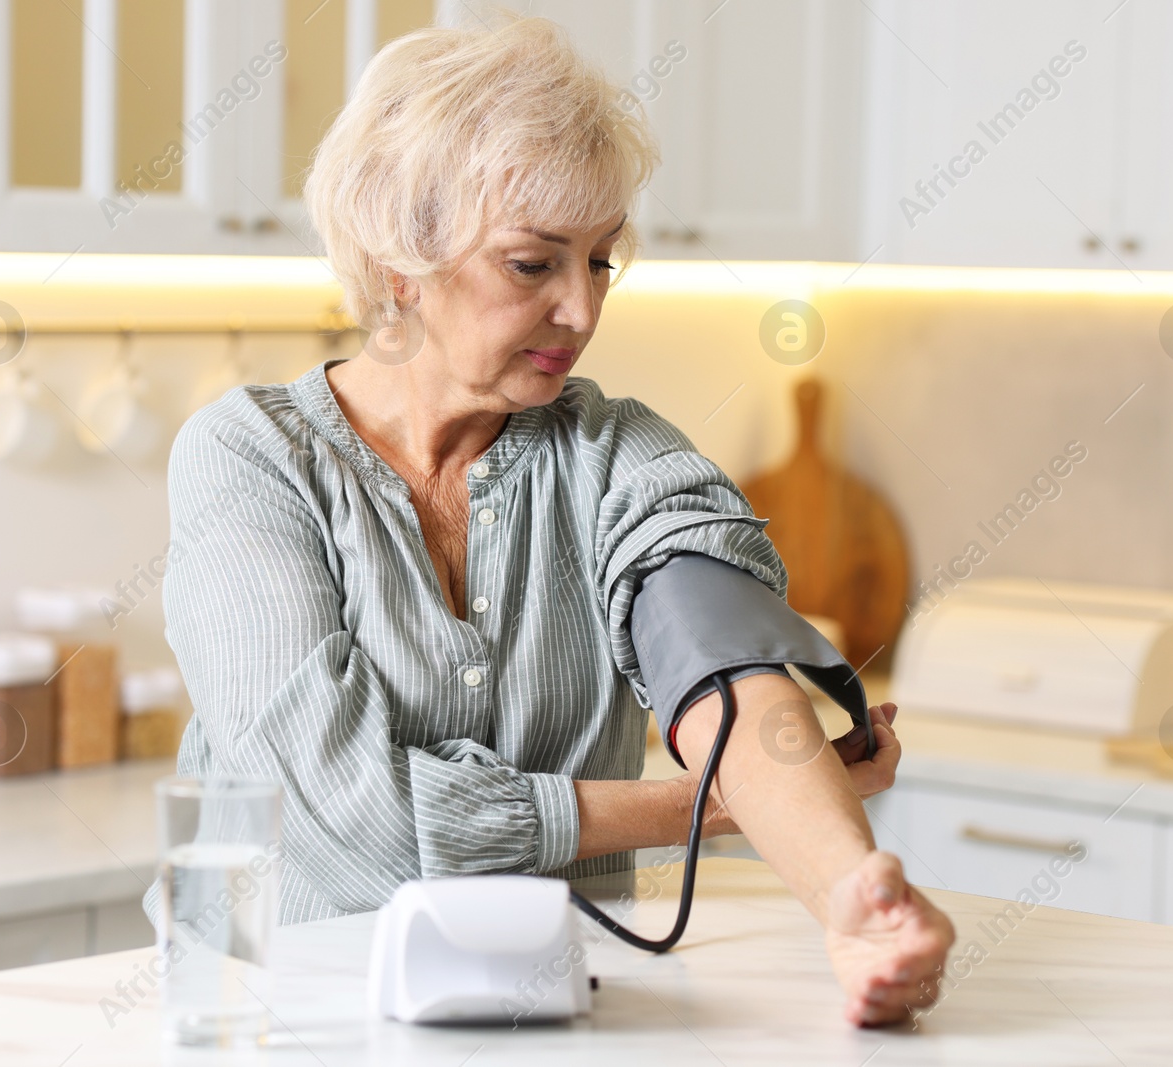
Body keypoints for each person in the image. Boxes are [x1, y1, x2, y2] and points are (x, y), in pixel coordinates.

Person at [156, 13, 952, 1027]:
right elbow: (343, 817)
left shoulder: (620, 455)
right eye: (534, 263)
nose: (581, 308)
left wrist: (853, 897)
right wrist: (715, 802)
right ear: (402, 263)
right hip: (272, 1015)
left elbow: (726, 673)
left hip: (537, 1011)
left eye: (602, 260)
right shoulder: (251, 457)